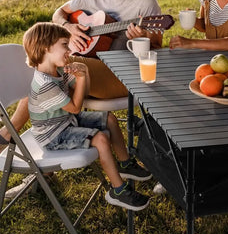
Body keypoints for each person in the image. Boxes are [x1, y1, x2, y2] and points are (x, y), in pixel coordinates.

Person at [0, 0, 161, 196]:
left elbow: (157, 46)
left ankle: (9, 134)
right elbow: (59, 13)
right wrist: (70, 27)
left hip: (123, 74)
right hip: (91, 69)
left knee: (51, 67)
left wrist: (143, 37)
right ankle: (41, 173)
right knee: (50, 71)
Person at [22, 22, 151, 211]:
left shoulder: (58, 70)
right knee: (100, 139)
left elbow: (86, 92)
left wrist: (85, 73)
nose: (69, 49)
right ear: (47, 48)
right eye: (64, 45)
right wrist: (80, 78)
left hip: (66, 121)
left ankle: (125, 164)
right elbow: (75, 107)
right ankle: (118, 191)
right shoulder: (45, 85)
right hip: (53, 135)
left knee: (110, 119)